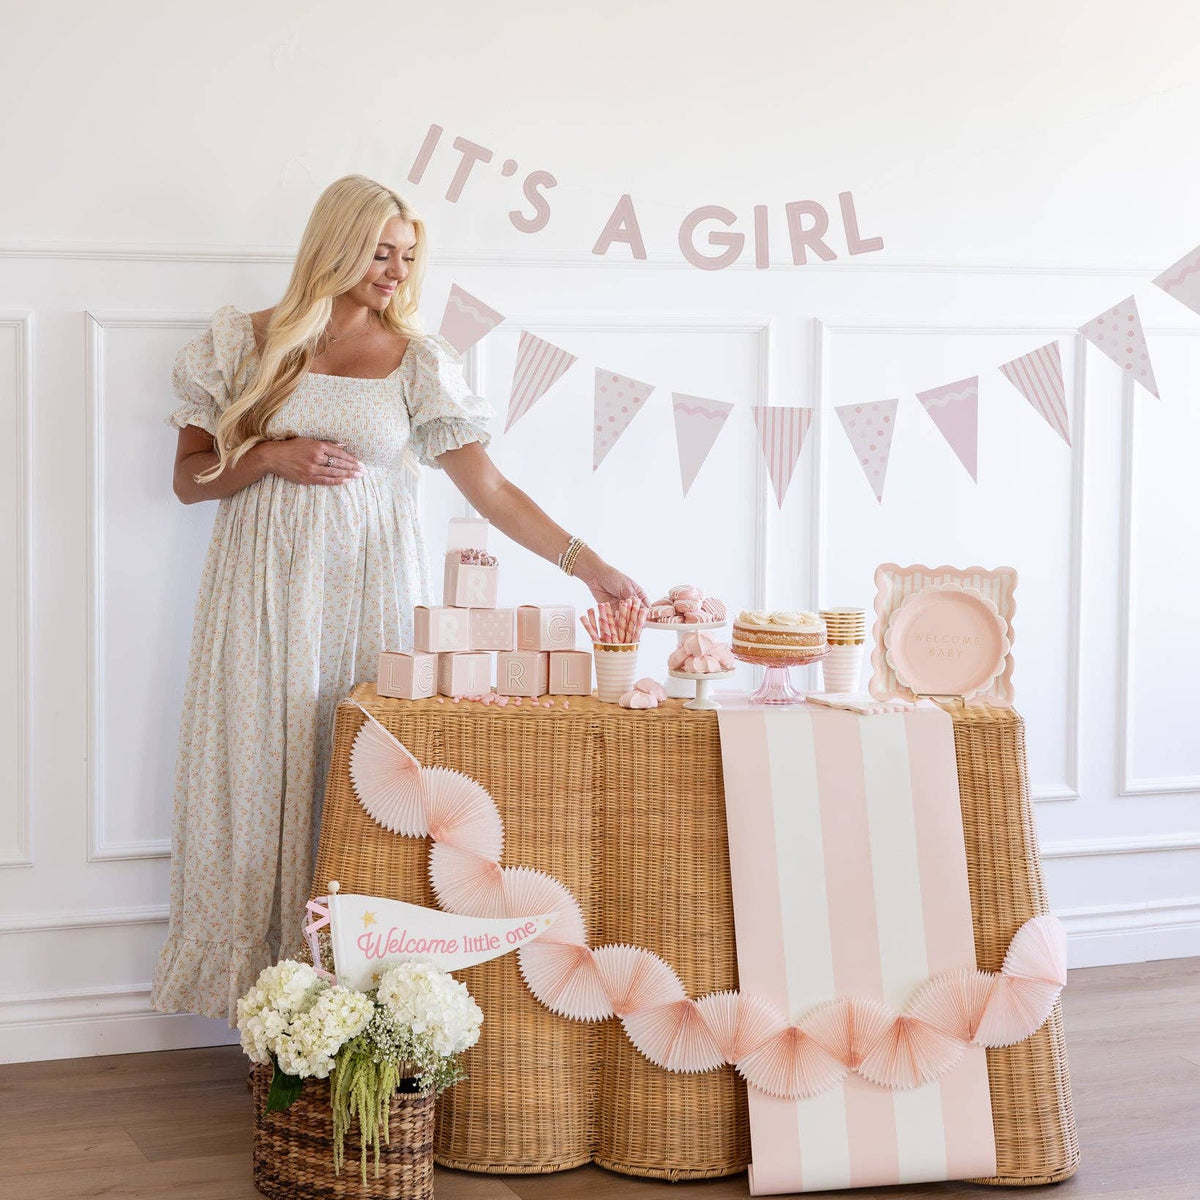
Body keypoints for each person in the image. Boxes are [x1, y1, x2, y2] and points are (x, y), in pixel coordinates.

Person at [150, 174, 645, 1023]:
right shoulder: (247, 342)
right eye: (381, 252)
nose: (395, 270)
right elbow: (189, 478)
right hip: (259, 596)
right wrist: (270, 457)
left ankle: (349, 1011)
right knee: (249, 775)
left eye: (408, 255)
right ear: (335, 245)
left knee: (353, 782)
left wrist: (588, 565)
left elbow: (488, 489)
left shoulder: (416, 359)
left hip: (364, 595)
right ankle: (264, 1010)